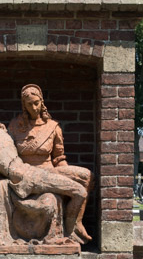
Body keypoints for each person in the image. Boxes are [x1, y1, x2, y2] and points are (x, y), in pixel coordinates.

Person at [0, 104, 89, 246]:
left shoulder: (2, 130)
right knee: (79, 192)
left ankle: (71, 231)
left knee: (83, 182)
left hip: (32, 171)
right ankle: (71, 233)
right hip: (23, 178)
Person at [8, 84, 92, 243]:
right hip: (27, 174)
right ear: (23, 105)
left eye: (36, 103)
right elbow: (7, 153)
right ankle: (69, 230)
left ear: (42, 102)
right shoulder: (15, 126)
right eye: (29, 104)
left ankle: (75, 223)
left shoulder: (53, 127)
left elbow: (59, 158)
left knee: (87, 176)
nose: (34, 107)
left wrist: (68, 175)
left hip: (50, 171)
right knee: (78, 190)